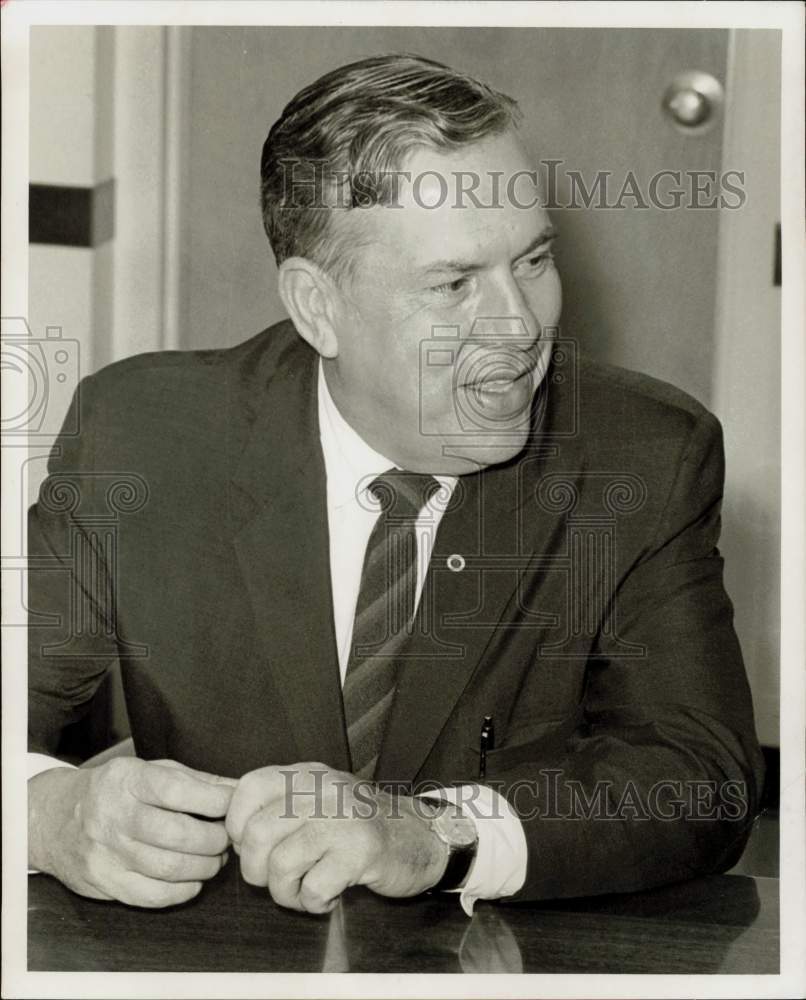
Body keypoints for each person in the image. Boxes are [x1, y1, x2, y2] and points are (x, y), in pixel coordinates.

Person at [27, 54, 764, 914]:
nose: (520, 326)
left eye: (531, 262)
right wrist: (46, 813)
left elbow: (698, 780)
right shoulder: (142, 439)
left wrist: (437, 832)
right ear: (317, 307)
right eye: (453, 285)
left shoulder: (642, 457)